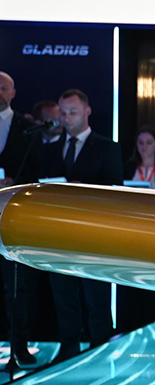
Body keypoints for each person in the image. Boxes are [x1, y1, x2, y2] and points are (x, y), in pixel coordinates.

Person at [39, 89, 123, 362]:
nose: (66, 118)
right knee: (64, 295)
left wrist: (81, 188)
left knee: (96, 297)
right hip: (58, 233)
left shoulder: (107, 147)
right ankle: (68, 347)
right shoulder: (50, 149)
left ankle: (100, 349)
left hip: (93, 233)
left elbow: (115, 190)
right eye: (63, 113)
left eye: (72, 112)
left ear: (87, 112)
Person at [0, 72, 42, 368]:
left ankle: (19, 346)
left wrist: (15, 183)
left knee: (16, 286)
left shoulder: (28, 129)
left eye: (3, 87)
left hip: (12, 216)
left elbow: (37, 171)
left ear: (13, 92)